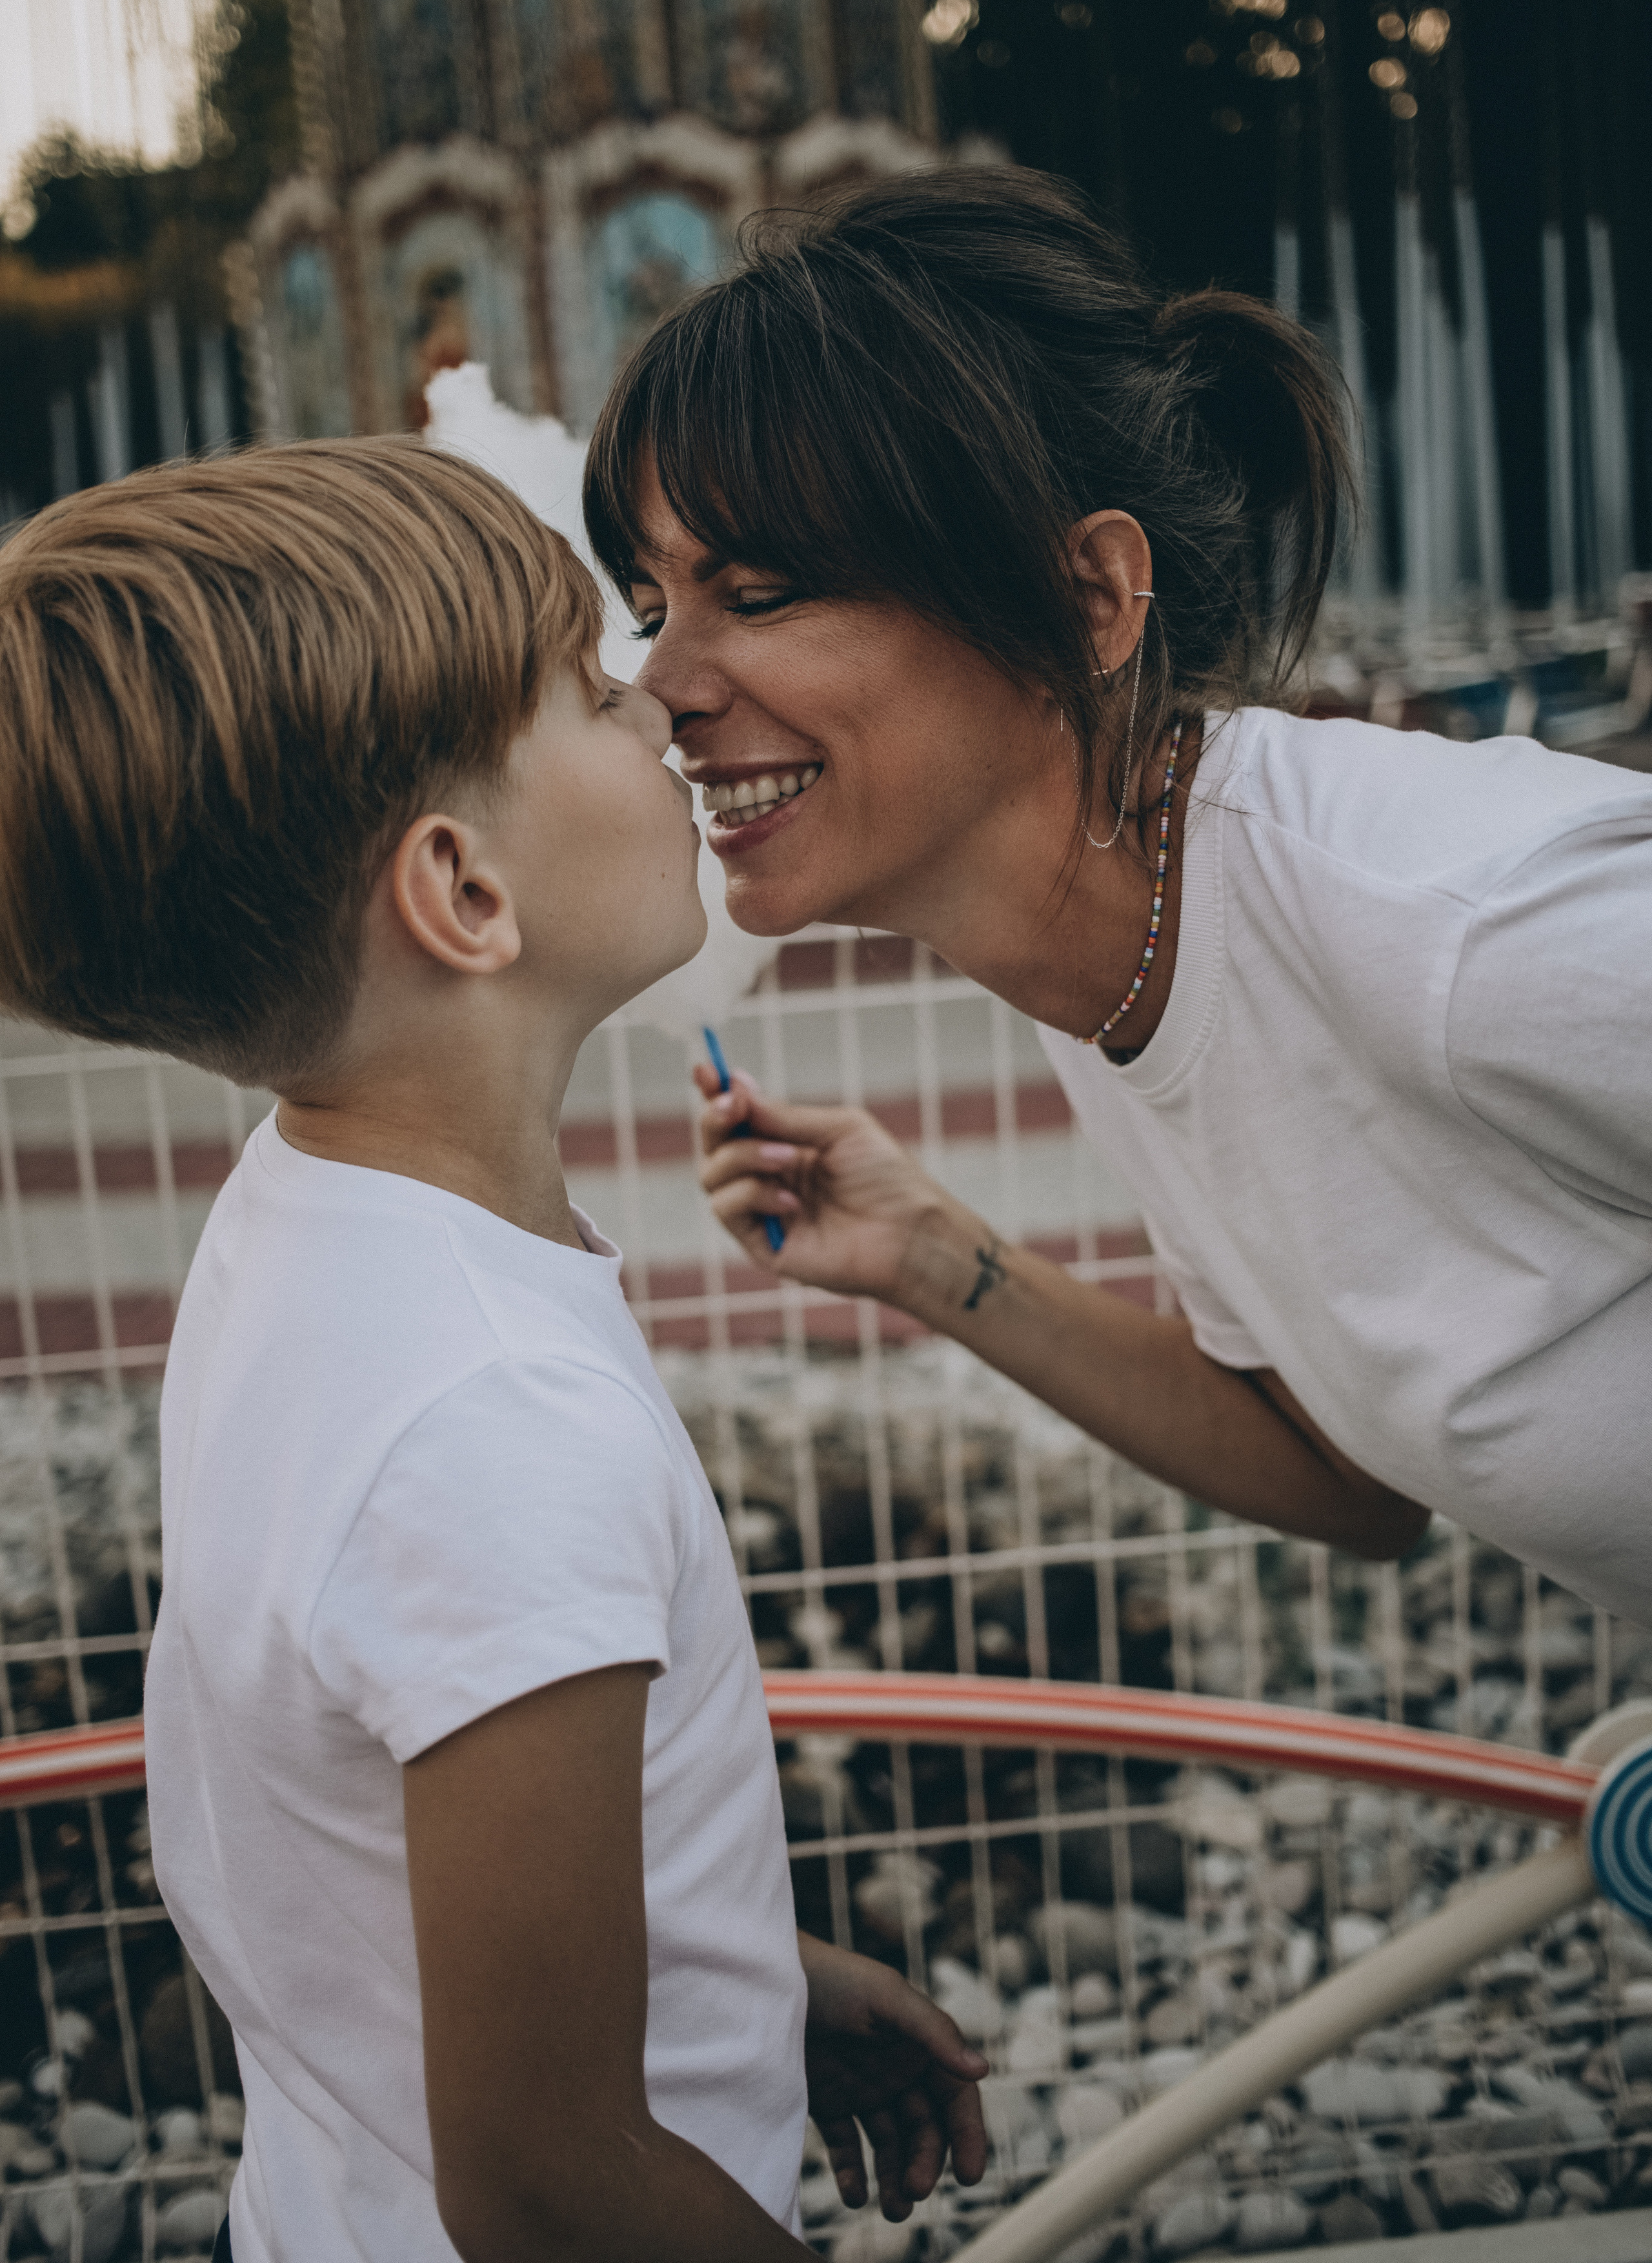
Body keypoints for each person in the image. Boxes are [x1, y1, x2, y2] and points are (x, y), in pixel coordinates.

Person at [0, 441, 986, 2263]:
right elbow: (544, 2185)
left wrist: (743, 1974)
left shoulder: (297, 1218)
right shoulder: (495, 1431)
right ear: (462, 892)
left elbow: (379, 1851)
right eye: (593, 691)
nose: (667, 707)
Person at [582, 168, 1652, 1625]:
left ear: (1087, 597)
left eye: (758, 592)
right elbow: (1346, 1482)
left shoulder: (1472, 924)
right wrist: (929, 1255)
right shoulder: (1111, 963)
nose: (659, 694)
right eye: (651, 611)